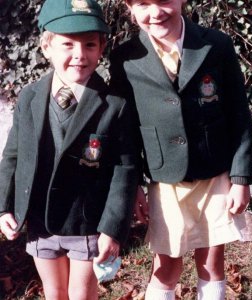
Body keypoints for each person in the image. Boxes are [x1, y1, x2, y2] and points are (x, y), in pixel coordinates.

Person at [109, 0, 252, 299]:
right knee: (166, 265)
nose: (155, 12)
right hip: (165, 179)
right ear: (129, 7)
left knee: (212, 262)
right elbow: (124, 131)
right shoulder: (125, 57)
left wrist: (241, 178)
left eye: (164, 0)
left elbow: (239, 113)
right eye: (142, 4)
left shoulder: (216, 44)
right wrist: (134, 184)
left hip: (215, 174)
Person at [0, 0, 139, 299]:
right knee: (54, 291)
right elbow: (12, 155)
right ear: (47, 47)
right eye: (67, 45)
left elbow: (125, 170)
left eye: (89, 44)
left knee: (81, 293)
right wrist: (4, 206)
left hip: (87, 222)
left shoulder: (114, 104)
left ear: (102, 47)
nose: (79, 55)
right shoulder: (30, 97)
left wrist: (113, 228)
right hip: (40, 220)